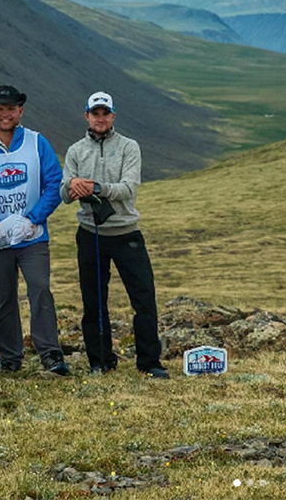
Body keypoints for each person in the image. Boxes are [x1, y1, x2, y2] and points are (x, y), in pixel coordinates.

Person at [0, 85, 69, 375]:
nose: (5, 114)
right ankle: (9, 357)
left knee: (40, 289)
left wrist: (33, 219)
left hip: (32, 237)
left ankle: (51, 354)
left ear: (20, 111)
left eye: (11, 108)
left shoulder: (36, 142)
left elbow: (54, 183)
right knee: (3, 295)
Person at [60, 91, 168, 379]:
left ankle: (149, 362)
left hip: (126, 234)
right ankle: (100, 360)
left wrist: (94, 187)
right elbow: (64, 192)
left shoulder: (129, 147)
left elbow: (128, 188)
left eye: (105, 113)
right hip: (89, 234)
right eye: (95, 113)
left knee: (144, 298)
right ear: (87, 116)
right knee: (93, 300)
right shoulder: (75, 151)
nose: (100, 118)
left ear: (113, 117)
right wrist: (73, 185)